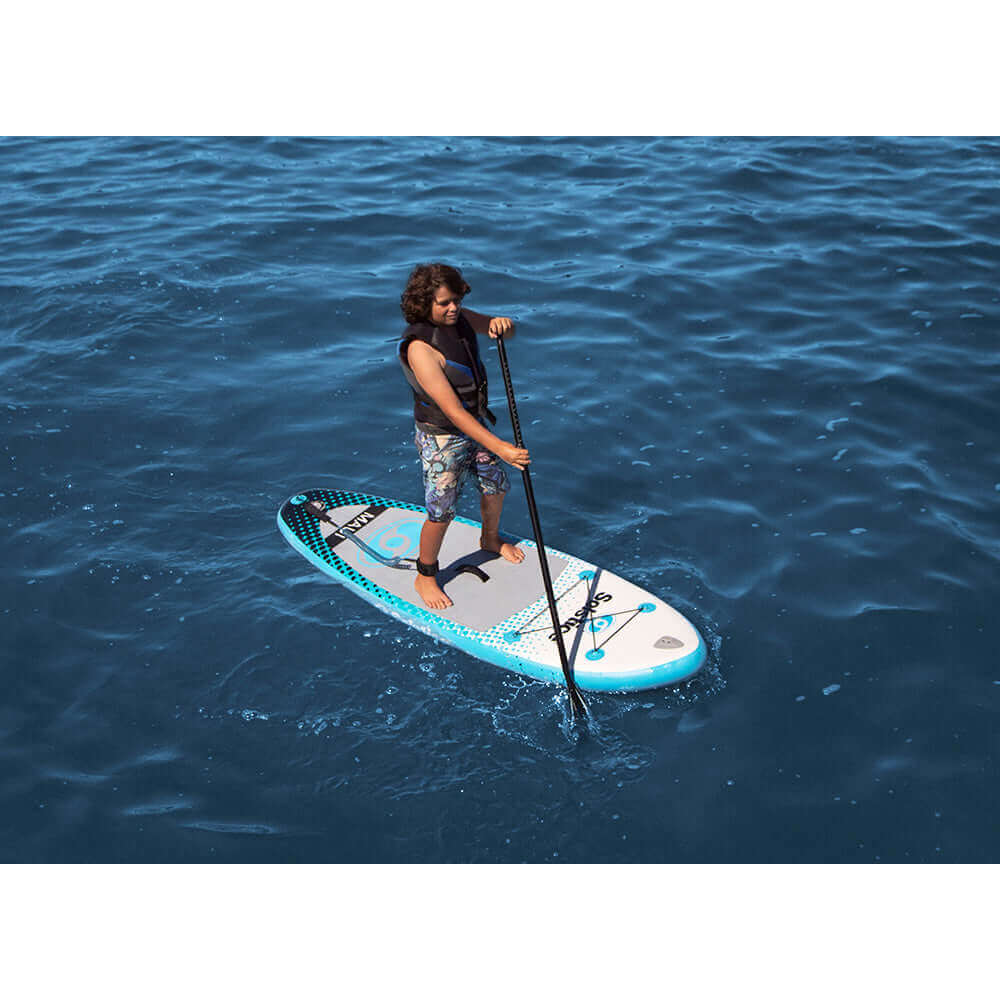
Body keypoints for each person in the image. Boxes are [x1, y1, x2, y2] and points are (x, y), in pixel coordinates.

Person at [399, 263, 530, 610]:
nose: (453, 308)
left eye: (456, 300)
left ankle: (489, 539)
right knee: (441, 512)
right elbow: (453, 412)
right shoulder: (420, 349)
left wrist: (503, 324)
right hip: (442, 439)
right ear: (424, 303)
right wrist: (500, 446)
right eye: (443, 303)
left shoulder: (459, 319)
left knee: (496, 485)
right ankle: (425, 575)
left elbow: (501, 331)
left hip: (473, 427)